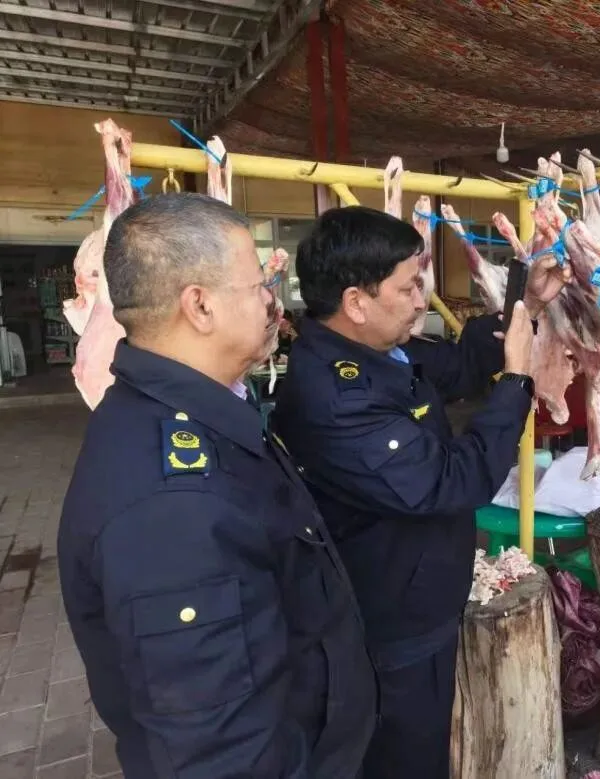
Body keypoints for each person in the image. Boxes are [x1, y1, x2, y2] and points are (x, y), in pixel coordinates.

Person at [57, 193, 376, 779]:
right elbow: (218, 753)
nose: (272, 301)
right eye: (257, 286)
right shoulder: (172, 504)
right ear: (200, 306)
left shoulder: (193, 412)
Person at [272, 205, 570, 779]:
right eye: (408, 287)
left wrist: (526, 304)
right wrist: (516, 381)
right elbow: (450, 482)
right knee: (403, 758)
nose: (420, 300)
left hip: (418, 600)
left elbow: (458, 364)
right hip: (388, 627)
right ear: (357, 302)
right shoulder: (335, 396)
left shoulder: (379, 352)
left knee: (426, 742)